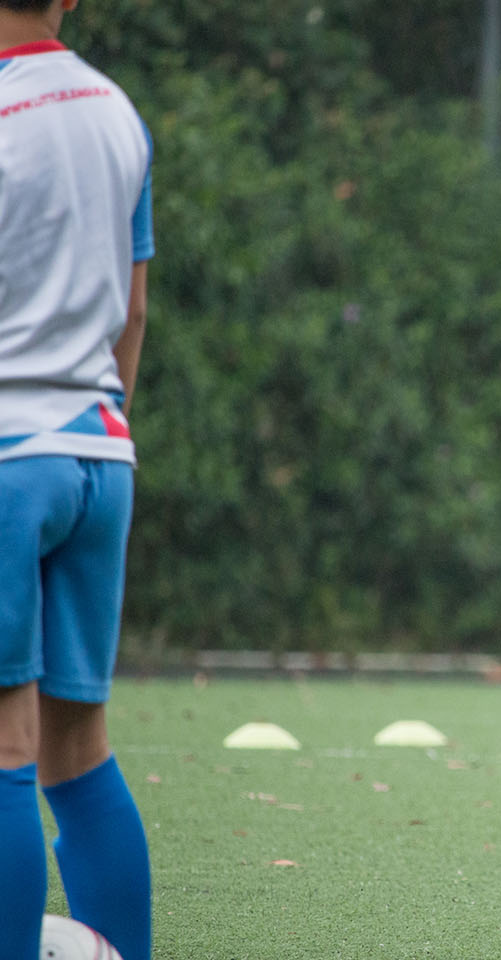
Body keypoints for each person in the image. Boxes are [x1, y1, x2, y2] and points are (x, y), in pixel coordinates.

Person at [0, 1, 155, 957]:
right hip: (100, 450)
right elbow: (131, 306)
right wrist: (108, 416)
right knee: (77, 749)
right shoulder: (113, 109)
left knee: (6, 750)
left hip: (11, 461)